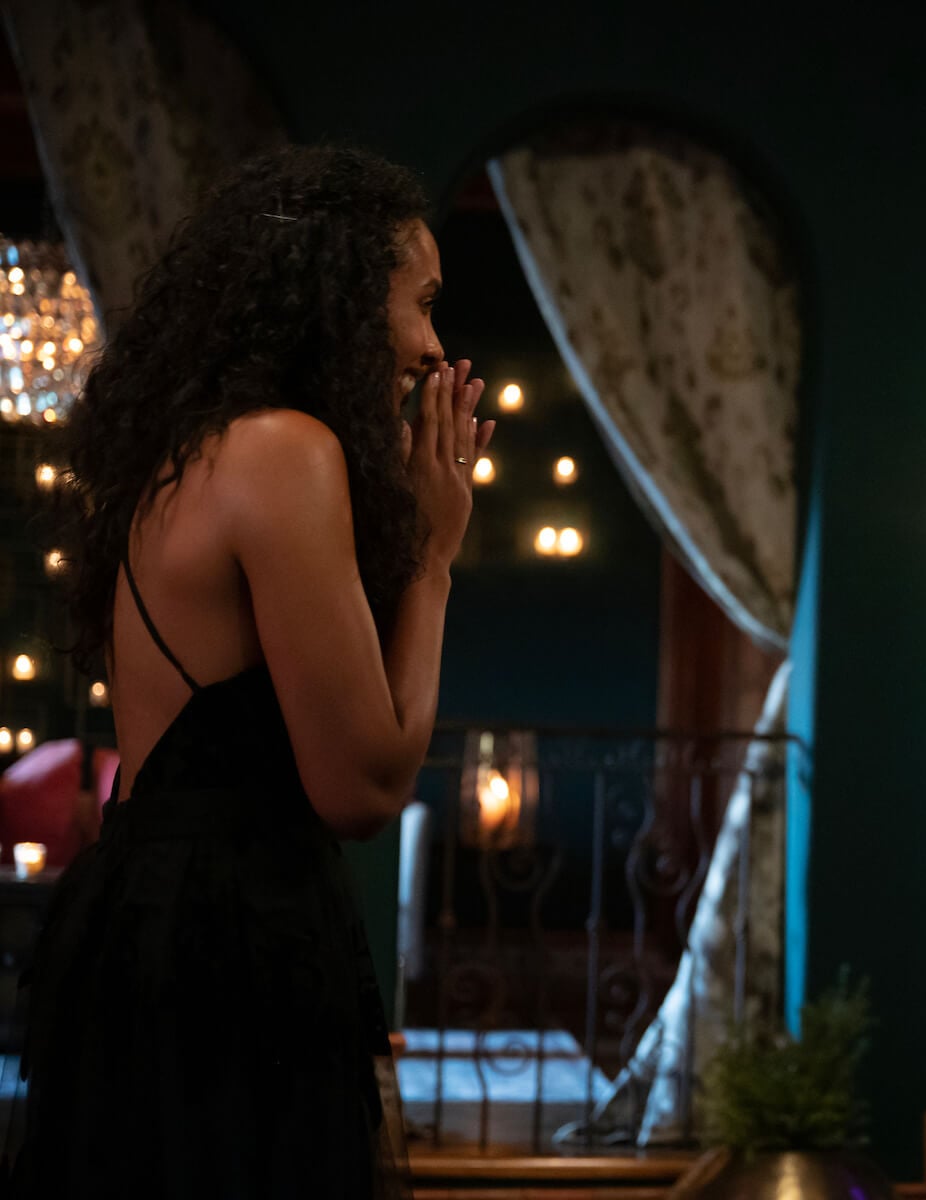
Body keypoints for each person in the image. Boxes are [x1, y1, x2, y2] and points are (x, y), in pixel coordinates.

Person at [5, 144, 492, 1198]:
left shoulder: (191, 454)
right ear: (342, 296)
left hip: (142, 927)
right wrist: (435, 560)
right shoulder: (285, 451)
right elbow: (364, 788)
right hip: (226, 944)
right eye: (420, 303)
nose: (431, 345)